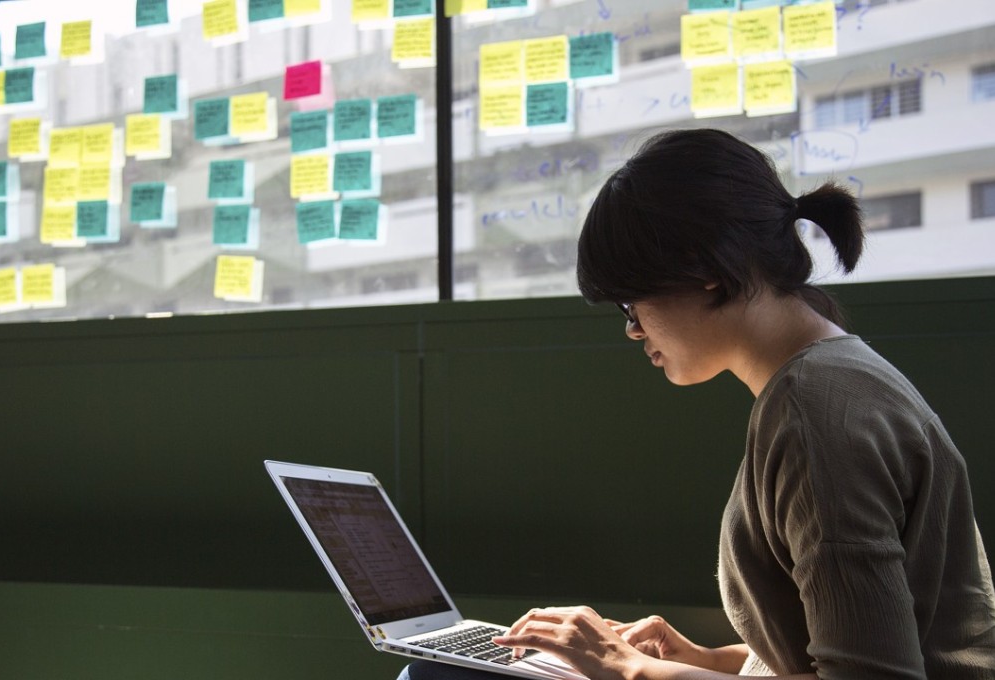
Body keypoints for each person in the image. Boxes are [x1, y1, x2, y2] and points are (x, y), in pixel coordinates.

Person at [398, 128, 995, 680]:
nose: (635, 334)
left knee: (431, 675)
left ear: (703, 271)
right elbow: (836, 650)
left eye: (631, 309)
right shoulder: (830, 384)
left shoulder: (818, 417)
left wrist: (632, 671)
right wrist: (706, 659)